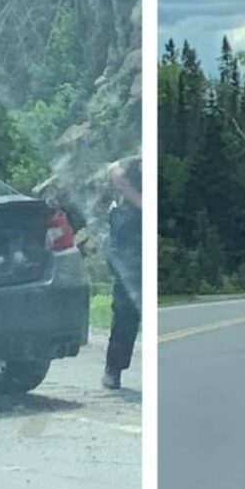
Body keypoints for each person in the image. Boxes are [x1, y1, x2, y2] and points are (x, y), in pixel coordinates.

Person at [102, 155, 142, 390]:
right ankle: (113, 369)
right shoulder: (139, 163)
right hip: (129, 242)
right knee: (125, 309)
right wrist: (138, 199)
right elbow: (113, 168)